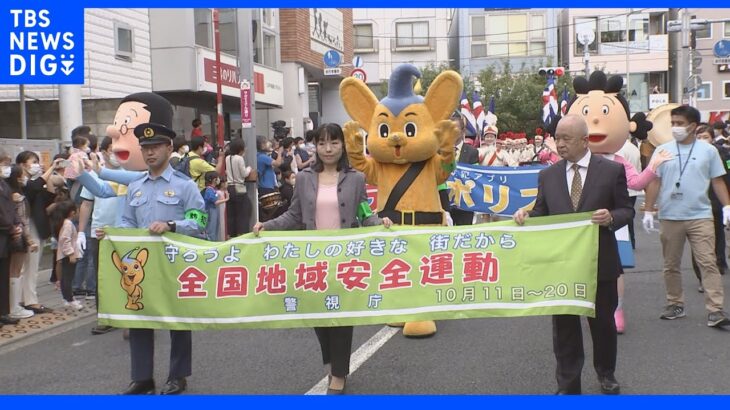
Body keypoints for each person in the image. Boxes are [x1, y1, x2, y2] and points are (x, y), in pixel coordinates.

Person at [253, 123, 392, 395]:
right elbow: (294, 215)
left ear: (343, 146)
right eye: (322, 143)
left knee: (340, 314)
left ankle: (338, 373)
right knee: (319, 312)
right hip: (312, 259)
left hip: (345, 258)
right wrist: (267, 226)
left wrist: (380, 222)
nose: (328, 149)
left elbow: (365, 213)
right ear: (315, 146)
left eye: (334, 143)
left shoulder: (355, 178)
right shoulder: (304, 178)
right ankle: (330, 361)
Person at [513, 114, 633, 395]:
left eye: (566, 138)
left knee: (602, 323)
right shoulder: (548, 175)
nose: (560, 144)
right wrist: (526, 214)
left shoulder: (611, 171)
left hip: (600, 263)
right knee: (564, 327)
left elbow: (627, 210)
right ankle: (568, 383)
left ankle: (606, 373)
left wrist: (611, 217)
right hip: (562, 266)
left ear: (584, 140)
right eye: (557, 138)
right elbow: (541, 212)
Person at [106, 118, 206, 395]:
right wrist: (115, 235)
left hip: (175, 264)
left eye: (156, 147)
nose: (150, 152)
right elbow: (127, 220)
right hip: (142, 265)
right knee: (139, 318)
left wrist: (172, 226)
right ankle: (142, 378)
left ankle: (177, 376)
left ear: (169, 147)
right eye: (145, 147)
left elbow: (199, 221)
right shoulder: (136, 186)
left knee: (177, 320)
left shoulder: (185, 185)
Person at [643, 106, 730, 327]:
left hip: (700, 214)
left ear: (692, 126)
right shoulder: (662, 150)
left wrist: (727, 206)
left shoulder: (708, 151)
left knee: (708, 262)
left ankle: (715, 309)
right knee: (670, 264)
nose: (675, 127)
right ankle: (675, 303)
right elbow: (654, 181)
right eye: (673, 123)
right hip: (671, 215)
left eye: (679, 123)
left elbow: (718, 181)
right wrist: (649, 209)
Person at [17, 153, 60, 314]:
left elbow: (49, 194)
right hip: (27, 227)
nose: (36, 165)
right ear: (22, 165)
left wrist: (47, 174)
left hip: (36, 227)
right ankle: (29, 301)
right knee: (27, 266)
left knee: (30, 266)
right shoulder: (22, 184)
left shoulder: (34, 183)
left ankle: (26, 299)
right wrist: (50, 169)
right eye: (33, 162)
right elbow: (34, 187)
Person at [688, 125, 730, 290]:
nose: (702, 140)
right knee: (699, 239)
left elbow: (726, 177)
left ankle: (719, 262)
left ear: (712, 138)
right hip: (697, 203)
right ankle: (704, 274)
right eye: (699, 137)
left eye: (705, 136)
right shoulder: (691, 154)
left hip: (717, 199)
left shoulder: (723, 153)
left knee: (718, 233)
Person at [6, 165, 39, 319]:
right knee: (15, 271)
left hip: (11, 236)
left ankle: (13, 306)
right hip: (18, 237)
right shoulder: (16, 196)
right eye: (22, 174)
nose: (25, 177)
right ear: (17, 177)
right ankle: (14, 307)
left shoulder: (8, 193)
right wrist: (29, 239)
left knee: (13, 271)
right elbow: (22, 220)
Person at [449, 113, 479, 225]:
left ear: (462, 131)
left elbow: (476, 176)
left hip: (464, 204)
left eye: (455, 129)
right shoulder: (440, 151)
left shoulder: (472, 152)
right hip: (445, 203)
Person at [53, 200, 84, 311]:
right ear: (72, 212)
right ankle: (70, 300)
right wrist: (71, 254)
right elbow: (65, 239)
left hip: (64, 254)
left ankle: (66, 299)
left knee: (65, 279)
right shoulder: (68, 224)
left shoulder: (63, 223)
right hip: (68, 255)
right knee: (68, 279)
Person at [224, 138, 253, 237]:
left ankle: (231, 235)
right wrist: (249, 168)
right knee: (243, 213)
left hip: (229, 187)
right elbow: (244, 174)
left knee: (231, 214)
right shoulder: (239, 159)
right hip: (239, 188)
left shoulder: (227, 158)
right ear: (240, 148)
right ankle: (242, 234)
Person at [202, 171, 222, 241]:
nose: (219, 180)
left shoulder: (213, 189)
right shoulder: (209, 190)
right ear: (214, 180)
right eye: (217, 178)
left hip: (214, 210)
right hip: (210, 211)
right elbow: (215, 202)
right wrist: (226, 199)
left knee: (215, 228)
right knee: (211, 229)